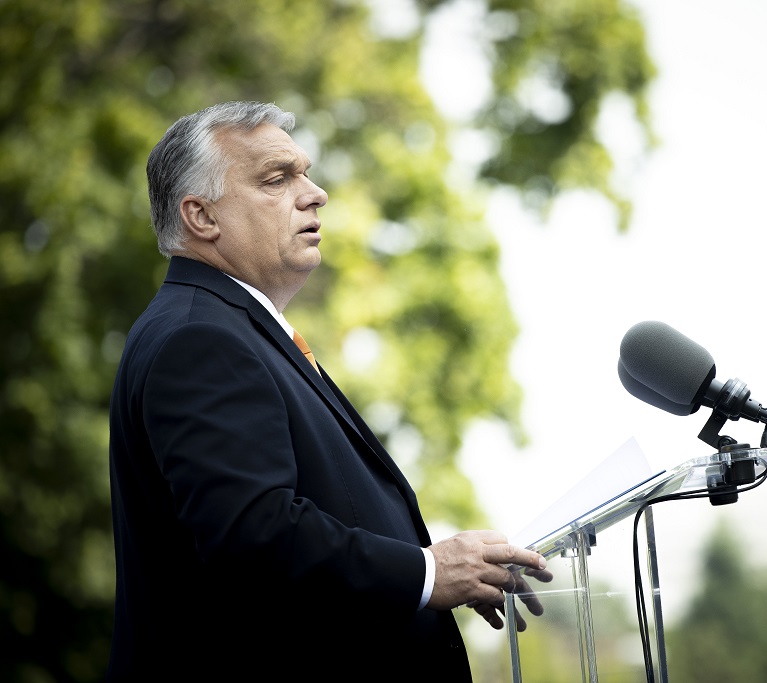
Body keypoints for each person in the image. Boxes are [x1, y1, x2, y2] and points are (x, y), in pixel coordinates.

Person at [107, 101, 550, 681]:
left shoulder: (228, 329)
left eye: (306, 174)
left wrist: (436, 570)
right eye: (277, 179)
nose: (315, 194)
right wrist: (426, 573)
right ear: (202, 216)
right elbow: (254, 536)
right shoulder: (201, 338)